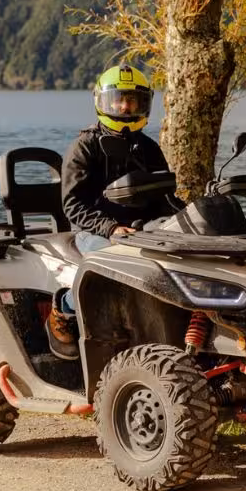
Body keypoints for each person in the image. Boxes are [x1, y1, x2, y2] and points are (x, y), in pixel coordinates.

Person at [46, 64, 171, 357]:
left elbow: (163, 194)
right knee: (111, 266)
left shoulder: (148, 148)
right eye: (119, 100)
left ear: (143, 104)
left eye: (132, 100)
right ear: (104, 101)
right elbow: (73, 205)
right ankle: (65, 306)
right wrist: (111, 228)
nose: (126, 107)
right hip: (94, 231)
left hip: (142, 228)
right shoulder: (84, 147)